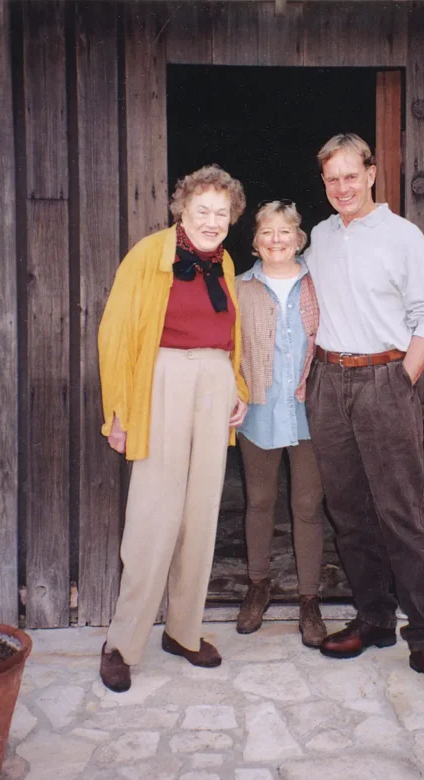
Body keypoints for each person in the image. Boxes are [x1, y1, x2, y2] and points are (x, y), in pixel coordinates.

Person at [304, 133, 424, 698]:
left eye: (351, 175)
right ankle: (375, 620)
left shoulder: (403, 237)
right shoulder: (319, 238)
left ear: (372, 174)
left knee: (402, 514)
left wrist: (400, 381)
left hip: (384, 380)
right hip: (328, 381)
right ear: (323, 184)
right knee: (347, 510)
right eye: (332, 179)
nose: (342, 187)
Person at [97, 164, 249, 692]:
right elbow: (115, 334)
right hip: (161, 381)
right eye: (202, 211)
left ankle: (184, 631)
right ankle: (122, 641)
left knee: (202, 512)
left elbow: (234, 334)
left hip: (213, 383)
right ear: (181, 211)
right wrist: (118, 410)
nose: (212, 221)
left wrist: (239, 391)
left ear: (232, 219)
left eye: (222, 213)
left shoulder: (226, 262)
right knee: (152, 515)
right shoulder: (148, 254)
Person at [235, 201, 326, 647]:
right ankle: (258, 585)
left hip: (311, 413)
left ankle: (309, 599)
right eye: (267, 232)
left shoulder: (320, 282)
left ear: (299, 238)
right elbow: (227, 349)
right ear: (255, 241)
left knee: (308, 506)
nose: (276, 239)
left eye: (284, 231)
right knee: (259, 500)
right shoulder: (240, 288)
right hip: (258, 411)